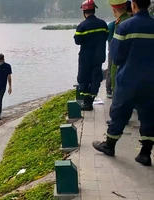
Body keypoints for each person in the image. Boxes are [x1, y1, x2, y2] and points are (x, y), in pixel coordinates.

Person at [93, 0, 154, 166]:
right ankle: (145, 153)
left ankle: (109, 146)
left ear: (133, 5)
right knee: (149, 115)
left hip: (129, 78)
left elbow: (117, 56)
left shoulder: (125, 26)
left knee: (120, 112)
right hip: (151, 80)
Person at [74, 0, 109, 111]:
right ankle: (90, 101)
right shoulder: (103, 24)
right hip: (99, 56)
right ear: (94, 10)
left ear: (84, 12)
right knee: (95, 78)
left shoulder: (82, 26)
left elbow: (77, 41)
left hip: (86, 57)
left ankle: (86, 102)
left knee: (83, 78)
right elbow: (106, 36)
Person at [110, 0, 131, 93]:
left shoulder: (121, 24)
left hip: (120, 66)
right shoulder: (129, 20)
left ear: (113, 10)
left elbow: (116, 50)